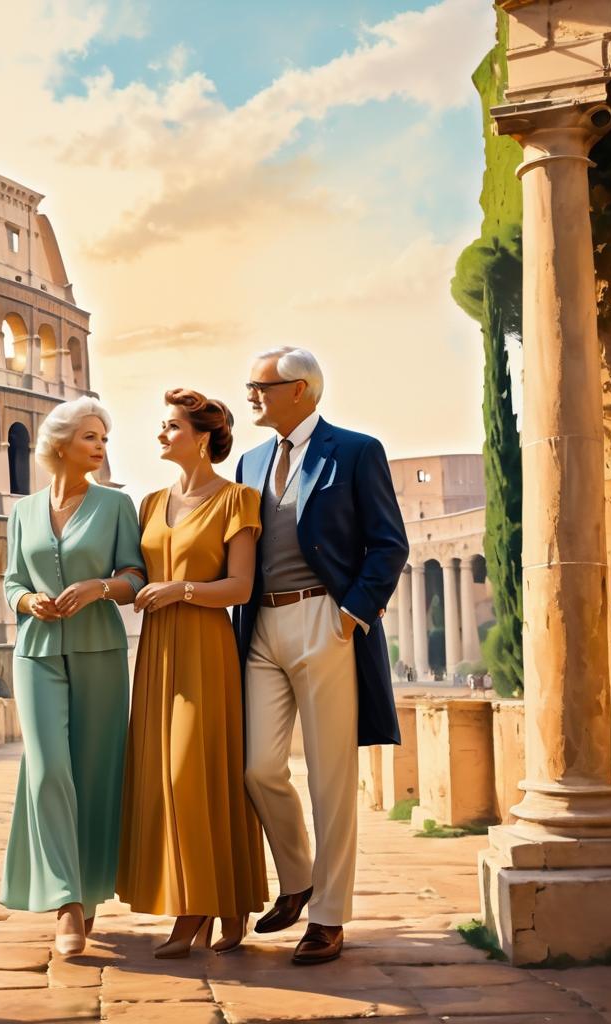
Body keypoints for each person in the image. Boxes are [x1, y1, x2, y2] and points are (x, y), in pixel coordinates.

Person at [234, 346, 408, 965]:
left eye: (262, 384)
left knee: (331, 778)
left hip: (324, 621)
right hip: (260, 626)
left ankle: (329, 916)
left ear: (300, 390)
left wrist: (350, 614)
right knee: (257, 767)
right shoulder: (251, 461)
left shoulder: (356, 450)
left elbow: (389, 544)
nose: (251, 392)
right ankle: (299, 878)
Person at [117, 388, 268, 958]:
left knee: (195, 774)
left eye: (171, 426)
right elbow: (135, 570)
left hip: (206, 646)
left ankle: (197, 906)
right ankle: (226, 899)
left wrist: (179, 589)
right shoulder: (150, 503)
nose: (161, 434)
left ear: (202, 438)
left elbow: (240, 587)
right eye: (162, 426)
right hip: (156, 651)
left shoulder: (238, 501)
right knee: (164, 777)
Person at [0, 397, 147, 957]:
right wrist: (29, 598)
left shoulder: (115, 506)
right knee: (48, 771)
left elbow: (135, 576)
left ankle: (85, 899)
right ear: (60, 443)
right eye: (91, 437)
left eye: (104, 438)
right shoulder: (22, 511)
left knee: (94, 774)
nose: (101, 446)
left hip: (100, 651)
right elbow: (12, 580)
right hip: (35, 654)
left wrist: (98, 589)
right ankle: (64, 902)